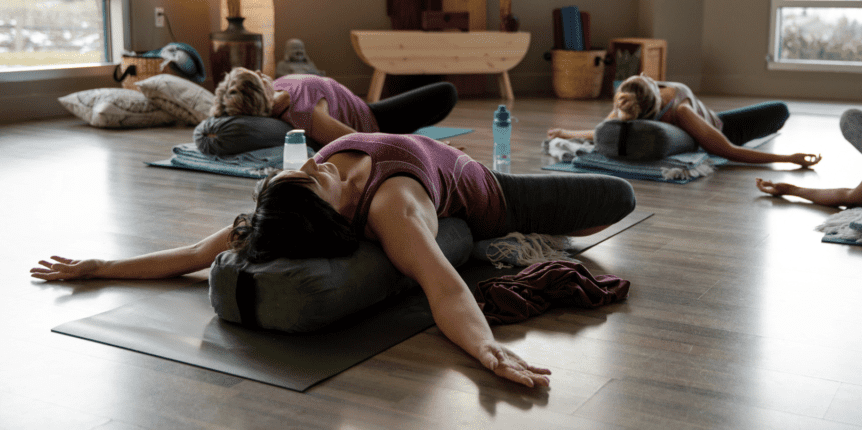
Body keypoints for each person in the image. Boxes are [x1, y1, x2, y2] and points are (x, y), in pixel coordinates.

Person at [31, 132, 637, 388]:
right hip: (494, 194)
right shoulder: (392, 212)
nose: (311, 165)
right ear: (331, 215)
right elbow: (444, 286)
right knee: (618, 197)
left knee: (614, 196)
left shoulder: (291, 193)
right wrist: (486, 348)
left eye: (299, 170)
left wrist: (97, 264)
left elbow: (192, 253)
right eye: (312, 179)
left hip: (444, 161)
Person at [546, 74, 821, 167]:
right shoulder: (677, 111)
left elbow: (600, 131)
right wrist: (787, 159)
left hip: (712, 119)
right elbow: (729, 150)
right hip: (725, 129)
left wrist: (567, 133)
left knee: (776, 110)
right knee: (780, 109)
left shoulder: (632, 102)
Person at [210, 68, 458, 146]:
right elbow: (362, 141)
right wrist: (426, 148)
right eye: (257, 76)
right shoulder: (305, 115)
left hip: (360, 104)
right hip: (375, 119)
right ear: (260, 92)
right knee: (446, 93)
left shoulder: (276, 93)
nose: (259, 72)